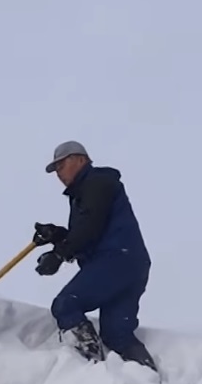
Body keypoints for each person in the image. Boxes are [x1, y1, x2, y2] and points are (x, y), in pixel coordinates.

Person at [32, 140, 158, 372]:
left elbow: (89, 228)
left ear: (80, 159)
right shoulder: (88, 191)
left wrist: (59, 255)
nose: (58, 173)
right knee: (117, 335)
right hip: (132, 265)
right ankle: (151, 382)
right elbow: (89, 232)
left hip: (115, 260)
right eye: (55, 169)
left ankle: (91, 371)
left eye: (61, 165)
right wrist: (58, 235)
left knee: (66, 305)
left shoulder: (97, 182)